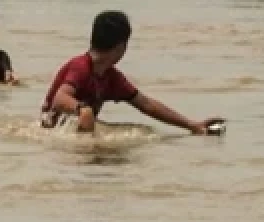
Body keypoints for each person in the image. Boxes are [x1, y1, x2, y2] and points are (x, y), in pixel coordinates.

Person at [40, 10, 223, 134]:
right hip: (53, 136)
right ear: (121, 46)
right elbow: (59, 98)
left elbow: (147, 105)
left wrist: (192, 125)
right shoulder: (80, 66)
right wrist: (83, 110)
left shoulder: (112, 78)